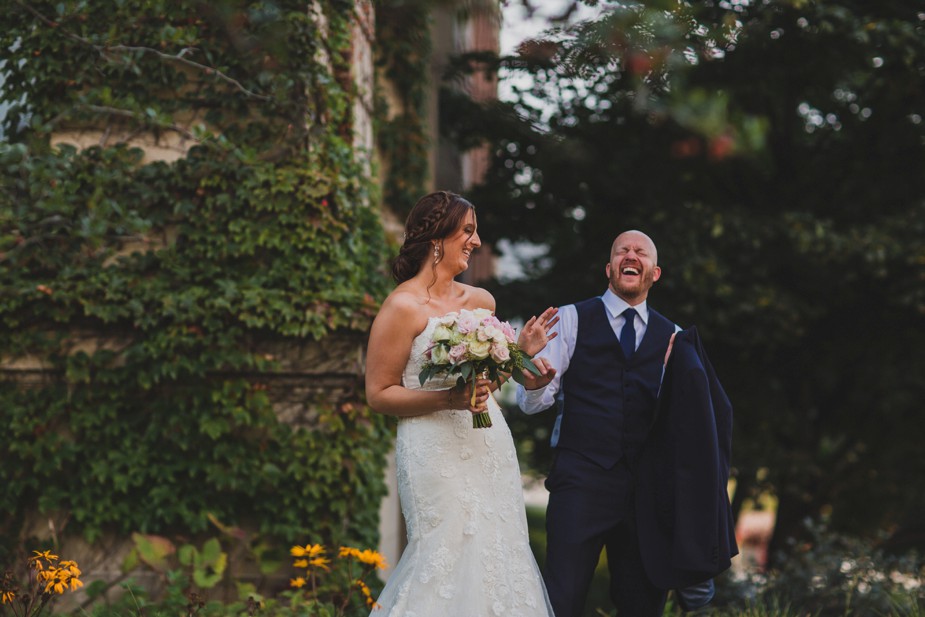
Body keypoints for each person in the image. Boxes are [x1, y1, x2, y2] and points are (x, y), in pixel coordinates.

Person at [365, 190, 559, 617]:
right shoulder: (402, 306)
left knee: (499, 548)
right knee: (445, 551)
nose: (475, 241)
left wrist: (521, 355)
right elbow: (379, 393)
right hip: (432, 449)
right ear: (439, 238)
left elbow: (491, 380)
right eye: (468, 230)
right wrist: (447, 398)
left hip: (487, 446)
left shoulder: (482, 302)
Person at [516, 230, 729, 617]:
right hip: (580, 481)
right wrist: (533, 384)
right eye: (622, 251)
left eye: (640, 251)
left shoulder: (676, 339)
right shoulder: (570, 319)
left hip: (646, 494)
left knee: (642, 605)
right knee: (560, 600)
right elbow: (533, 403)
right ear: (610, 268)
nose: (631, 255)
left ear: (655, 272)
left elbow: (689, 422)